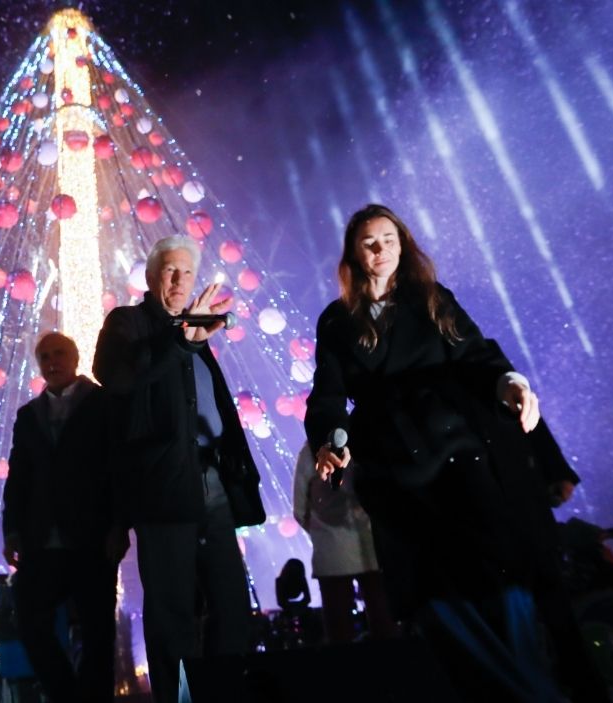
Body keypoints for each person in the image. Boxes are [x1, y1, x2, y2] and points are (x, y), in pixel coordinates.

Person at [305, 204, 572, 702]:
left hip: (455, 451)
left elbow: (476, 353)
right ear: (353, 252)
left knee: (496, 570)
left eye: (389, 238)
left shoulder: (431, 299)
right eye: (369, 241)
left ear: (403, 245)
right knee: (430, 590)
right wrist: (330, 441)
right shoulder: (337, 320)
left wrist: (509, 381)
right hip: (392, 467)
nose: (381, 249)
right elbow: (327, 393)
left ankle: (531, 686)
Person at [93, 235, 266, 703]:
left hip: (212, 486)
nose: (178, 279)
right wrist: (179, 341)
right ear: (150, 278)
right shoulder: (128, 323)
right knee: (172, 614)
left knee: (231, 607)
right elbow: (118, 376)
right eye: (169, 270)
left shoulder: (195, 330)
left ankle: (227, 693)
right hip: (163, 489)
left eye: (187, 272)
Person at [1, 332, 120, 703]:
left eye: (59, 354)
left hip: (90, 535)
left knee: (98, 629)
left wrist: (119, 525)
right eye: (45, 357)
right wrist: (12, 529)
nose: (52, 362)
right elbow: (18, 475)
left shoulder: (103, 404)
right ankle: (67, 695)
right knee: (30, 620)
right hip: (42, 538)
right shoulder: (28, 415)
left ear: (75, 357)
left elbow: (118, 468)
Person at [291, 444, 396, 643]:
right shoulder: (362, 440)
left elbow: (299, 510)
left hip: (331, 551)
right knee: (385, 622)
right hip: (371, 548)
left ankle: (345, 672)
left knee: (339, 631)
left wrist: (320, 531)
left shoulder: (309, 452)